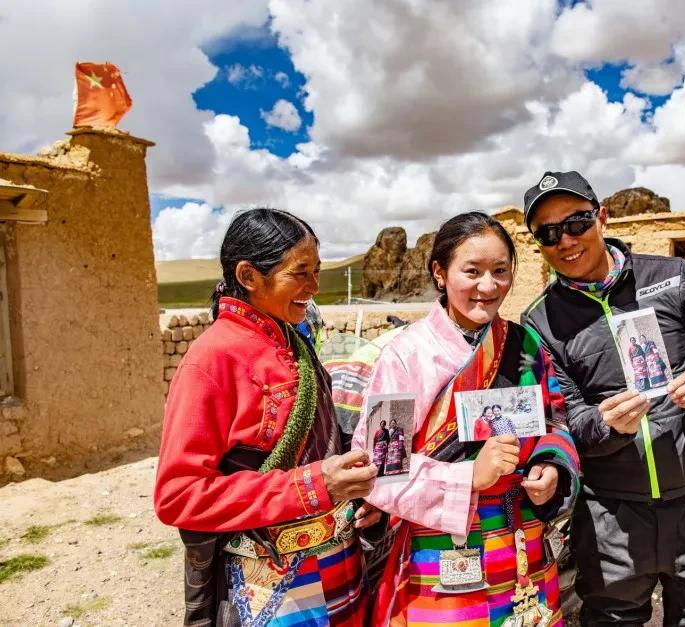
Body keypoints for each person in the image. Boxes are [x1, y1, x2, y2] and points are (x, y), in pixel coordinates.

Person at [521, 172, 685, 626]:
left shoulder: (672, 277)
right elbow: (562, 417)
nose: (565, 240)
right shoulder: (540, 321)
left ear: (602, 217)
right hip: (610, 512)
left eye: (576, 223)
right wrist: (604, 424)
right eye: (548, 234)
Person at [351, 212, 581, 626]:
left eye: (500, 271)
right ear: (440, 273)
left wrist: (551, 467)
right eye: (472, 271)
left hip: (523, 542)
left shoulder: (525, 345)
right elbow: (379, 467)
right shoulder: (407, 355)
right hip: (442, 553)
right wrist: (468, 477)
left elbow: (555, 421)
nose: (488, 286)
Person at [154, 208, 380, 627]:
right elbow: (179, 495)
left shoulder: (294, 343)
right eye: (300, 273)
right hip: (269, 589)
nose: (314, 287)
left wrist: (357, 487)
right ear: (248, 275)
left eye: (317, 272)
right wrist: (316, 486)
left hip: (342, 568)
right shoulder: (212, 359)